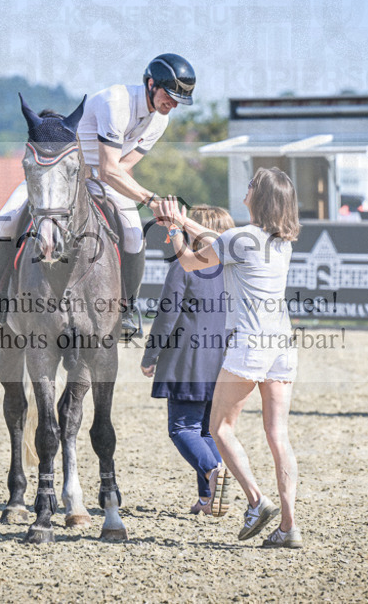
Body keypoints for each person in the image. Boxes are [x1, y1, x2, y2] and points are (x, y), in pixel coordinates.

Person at [0, 54, 196, 339]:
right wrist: (153, 201)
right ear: (151, 83)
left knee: (133, 233)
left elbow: (122, 168)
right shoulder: (116, 102)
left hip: (104, 179)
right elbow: (109, 168)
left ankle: (127, 309)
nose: (174, 104)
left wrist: (133, 193)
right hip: (61, 172)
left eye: (180, 100)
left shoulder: (159, 121)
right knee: (6, 219)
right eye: (170, 95)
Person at [155, 167, 302, 548]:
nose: (247, 189)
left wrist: (174, 230)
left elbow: (189, 261)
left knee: (220, 429)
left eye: (252, 185)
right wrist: (182, 219)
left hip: (250, 343)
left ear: (261, 196)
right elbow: (222, 240)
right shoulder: (281, 242)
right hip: (283, 345)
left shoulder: (240, 238)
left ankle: (256, 500)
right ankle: (288, 527)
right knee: (278, 436)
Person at [141, 205, 234, 517]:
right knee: (207, 430)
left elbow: (167, 315)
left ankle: (213, 470)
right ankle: (208, 499)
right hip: (222, 362)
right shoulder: (233, 270)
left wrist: (150, 354)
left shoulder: (185, 267)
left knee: (182, 428)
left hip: (188, 361)